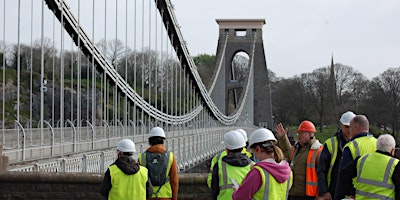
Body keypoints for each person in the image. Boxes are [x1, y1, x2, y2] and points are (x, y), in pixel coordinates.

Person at [232, 128, 293, 200]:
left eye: (253, 151)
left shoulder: (258, 173)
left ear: (257, 149)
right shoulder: (288, 172)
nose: (253, 154)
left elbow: (240, 197)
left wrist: (237, 191)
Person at [339, 134, 400, 200]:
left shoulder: (362, 159)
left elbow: (343, 174)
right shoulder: (395, 164)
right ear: (392, 150)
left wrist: (351, 192)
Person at [275, 120, 323, 200]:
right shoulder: (297, 148)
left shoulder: (318, 150)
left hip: (309, 195)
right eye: (299, 133)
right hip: (293, 193)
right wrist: (283, 137)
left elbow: (322, 173)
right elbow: (287, 152)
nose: (299, 135)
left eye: (302, 133)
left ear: (310, 134)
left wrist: (322, 193)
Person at [335, 115, 377, 199]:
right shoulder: (378, 143)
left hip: (356, 195)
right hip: (376, 194)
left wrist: (338, 197)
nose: (349, 131)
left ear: (357, 127)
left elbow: (343, 175)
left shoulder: (351, 146)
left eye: (351, 128)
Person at [317, 111, 356, 200]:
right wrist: (324, 192)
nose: (349, 130)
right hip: (332, 192)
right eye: (346, 127)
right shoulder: (330, 143)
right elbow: (321, 170)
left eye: (351, 127)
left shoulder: (357, 144)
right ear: (341, 125)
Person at [138, 127, 178, 200]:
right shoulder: (170, 156)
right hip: (165, 196)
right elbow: (174, 181)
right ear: (163, 140)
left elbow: (139, 180)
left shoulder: (142, 157)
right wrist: (174, 198)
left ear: (150, 141)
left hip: (148, 196)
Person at [210, 130, 253, 200]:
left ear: (227, 149)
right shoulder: (253, 165)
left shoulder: (219, 165)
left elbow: (214, 190)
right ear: (243, 147)